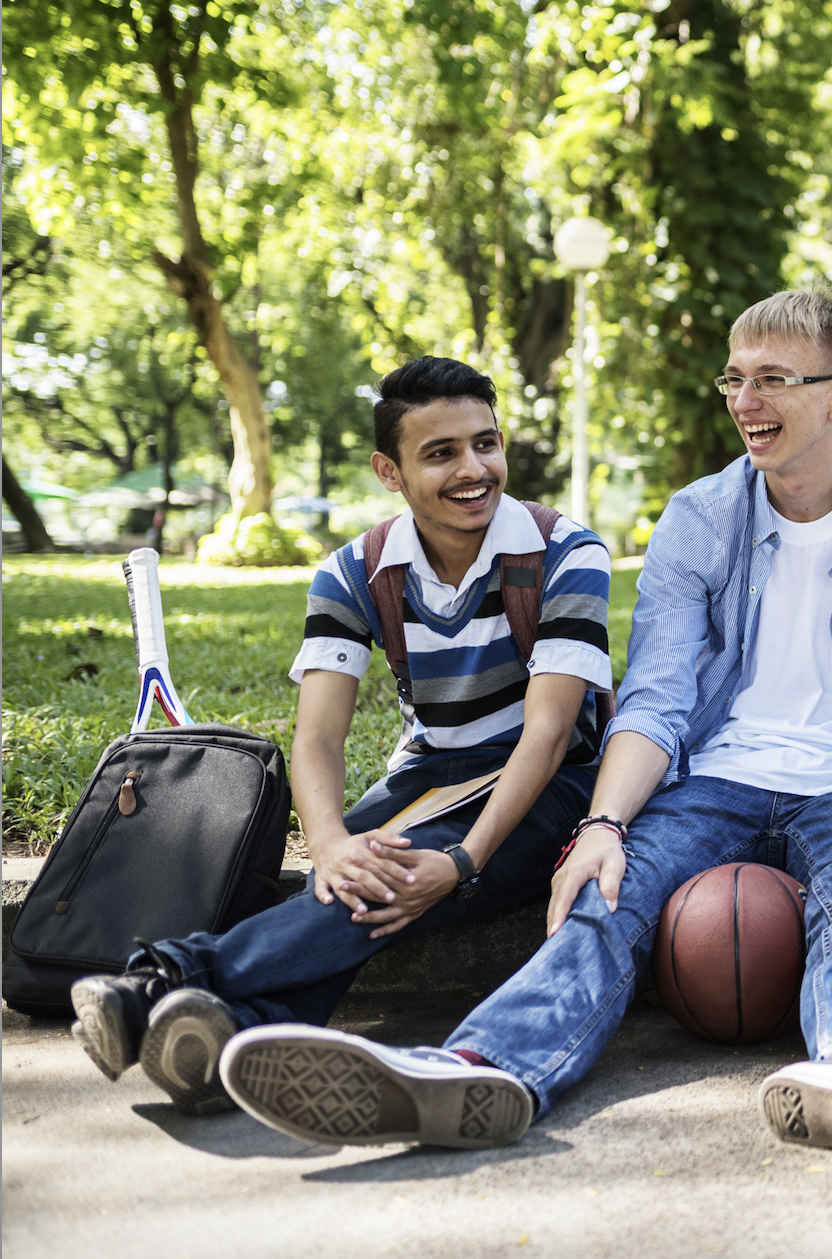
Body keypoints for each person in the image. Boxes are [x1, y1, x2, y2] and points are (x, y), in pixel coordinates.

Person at [216, 286, 832, 1163]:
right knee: (602, 888)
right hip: (714, 778)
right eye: (734, 379)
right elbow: (657, 700)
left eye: (772, 380)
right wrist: (602, 825)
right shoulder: (700, 517)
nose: (745, 402)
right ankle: (480, 1067)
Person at [68, 357, 613, 1116]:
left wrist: (460, 862)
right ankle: (240, 1031)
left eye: (485, 444)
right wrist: (326, 841)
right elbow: (319, 737)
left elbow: (551, 734)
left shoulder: (567, 552)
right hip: (431, 772)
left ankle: (163, 982)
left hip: (548, 784)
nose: (474, 469)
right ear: (388, 470)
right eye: (441, 453)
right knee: (351, 873)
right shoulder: (353, 572)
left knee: (384, 878)